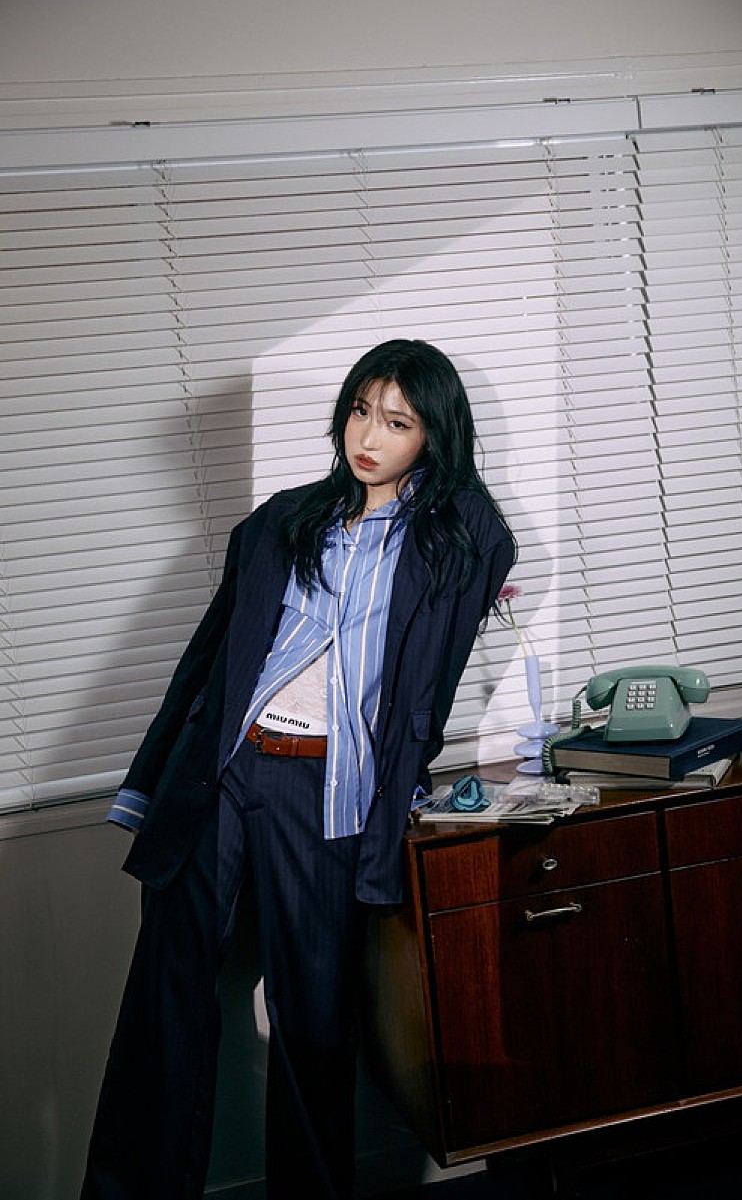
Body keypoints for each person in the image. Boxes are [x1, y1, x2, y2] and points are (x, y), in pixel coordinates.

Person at [80, 338, 516, 1200]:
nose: (369, 436)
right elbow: (208, 659)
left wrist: (443, 476)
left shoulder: (457, 537)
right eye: (361, 410)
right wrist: (150, 783)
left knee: (314, 1019)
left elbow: (429, 684)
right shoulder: (282, 521)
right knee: (166, 998)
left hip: (328, 790)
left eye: (399, 421)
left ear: (434, 434)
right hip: (225, 771)